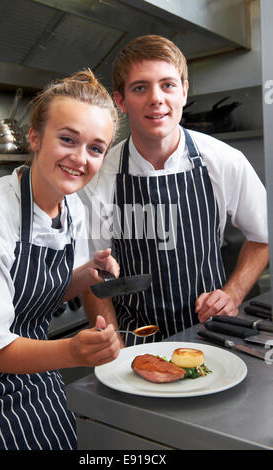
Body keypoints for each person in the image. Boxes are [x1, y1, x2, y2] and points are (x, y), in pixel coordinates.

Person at [79, 35, 269, 347]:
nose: (156, 98)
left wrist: (232, 293)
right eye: (140, 87)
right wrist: (113, 345)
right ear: (121, 101)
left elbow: (263, 237)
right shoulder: (100, 177)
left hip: (211, 335)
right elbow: (93, 276)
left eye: (167, 85)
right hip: (135, 340)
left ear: (184, 91)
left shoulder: (223, 161)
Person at [0, 70, 121, 450]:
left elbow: (36, 292)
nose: (79, 158)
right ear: (35, 138)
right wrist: (73, 351)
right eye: (68, 139)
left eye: (95, 148)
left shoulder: (72, 206)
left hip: (39, 376)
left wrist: (86, 274)